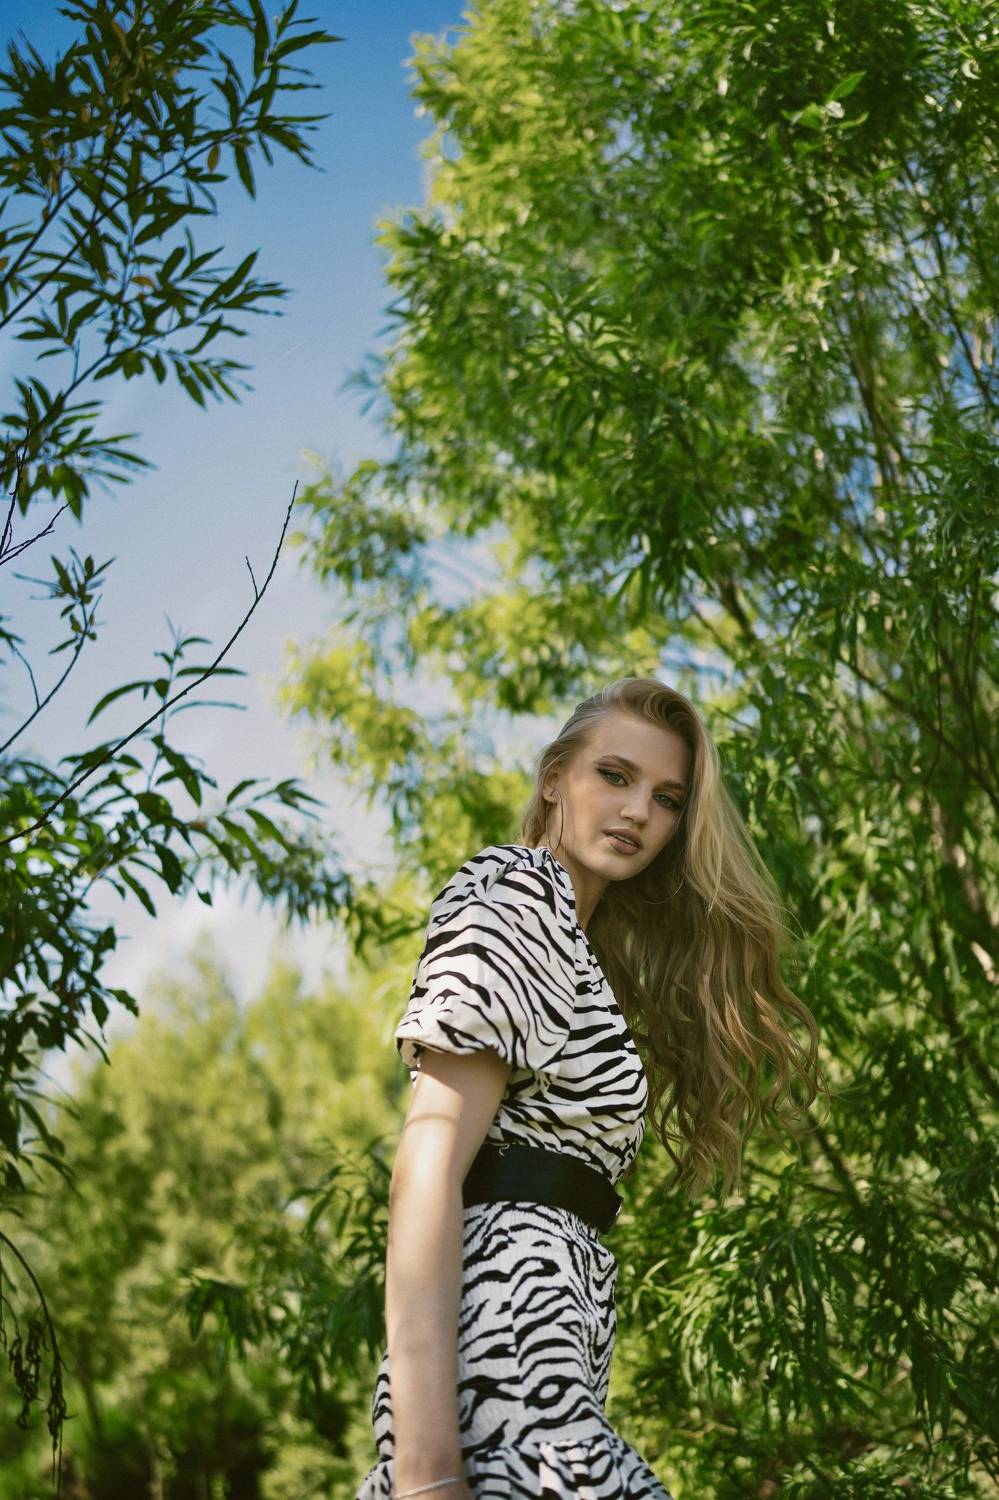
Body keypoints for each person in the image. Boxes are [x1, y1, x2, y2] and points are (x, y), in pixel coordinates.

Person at [356, 676, 821, 1499]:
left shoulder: (573, 940)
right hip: (509, 1338)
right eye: (614, 776)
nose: (639, 811)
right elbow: (425, 1165)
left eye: (666, 799)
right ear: (553, 779)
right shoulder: (517, 892)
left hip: (544, 1339)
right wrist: (426, 1474)